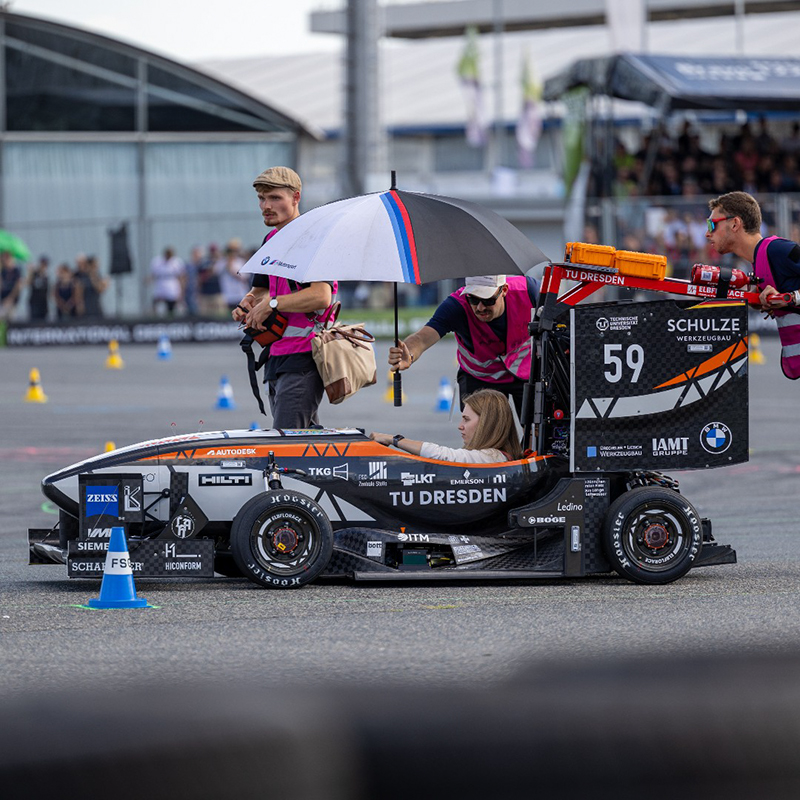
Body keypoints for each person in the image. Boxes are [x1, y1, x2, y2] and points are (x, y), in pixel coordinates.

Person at [232, 166, 337, 429]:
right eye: (262, 198)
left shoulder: (313, 238)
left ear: (296, 197)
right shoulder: (271, 238)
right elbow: (261, 288)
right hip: (277, 356)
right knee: (304, 441)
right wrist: (249, 302)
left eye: (275, 198)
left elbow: (322, 295)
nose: (266, 205)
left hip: (305, 358)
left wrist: (273, 304)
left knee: (287, 443)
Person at [388, 273, 539, 415]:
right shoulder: (456, 305)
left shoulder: (529, 290)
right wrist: (409, 352)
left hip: (526, 371)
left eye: (488, 300)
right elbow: (422, 337)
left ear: (504, 290)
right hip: (480, 377)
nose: (480, 307)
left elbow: (560, 319)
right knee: (482, 436)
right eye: (473, 299)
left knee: (538, 430)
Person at [706, 190, 800, 379]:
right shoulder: (759, 261)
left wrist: (791, 298)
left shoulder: (778, 250)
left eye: (712, 224)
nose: (707, 233)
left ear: (735, 224)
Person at [370, 389, 523, 463]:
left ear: (486, 423)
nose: (460, 426)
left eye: (466, 419)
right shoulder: (494, 457)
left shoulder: (494, 458)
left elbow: (442, 455)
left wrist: (393, 439)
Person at [149, 246, 185, 316]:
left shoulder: (176, 262)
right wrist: (149, 280)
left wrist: (182, 289)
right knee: (156, 300)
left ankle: (170, 315)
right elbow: (154, 274)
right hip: (161, 283)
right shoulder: (157, 261)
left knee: (171, 302)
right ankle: (155, 316)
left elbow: (181, 276)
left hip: (171, 283)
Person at [74, 254, 108, 318]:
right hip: (86, 306)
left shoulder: (98, 276)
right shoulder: (82, 276)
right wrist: (79, 304)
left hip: (96, 306)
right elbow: (78, 292)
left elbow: (100, 289)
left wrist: (93, 277)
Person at [0, 250, 23, 322]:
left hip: (12, 302)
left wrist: (10, 299)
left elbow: (18, 287)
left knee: (11, 321)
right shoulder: (3, 271)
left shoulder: (16, 271)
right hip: (3, 301)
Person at [27, 254, 50, 321]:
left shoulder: (46, 276)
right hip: (34, 302)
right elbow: (28, 283)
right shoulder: (35, 274)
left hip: (43, 303)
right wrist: (30, 272)